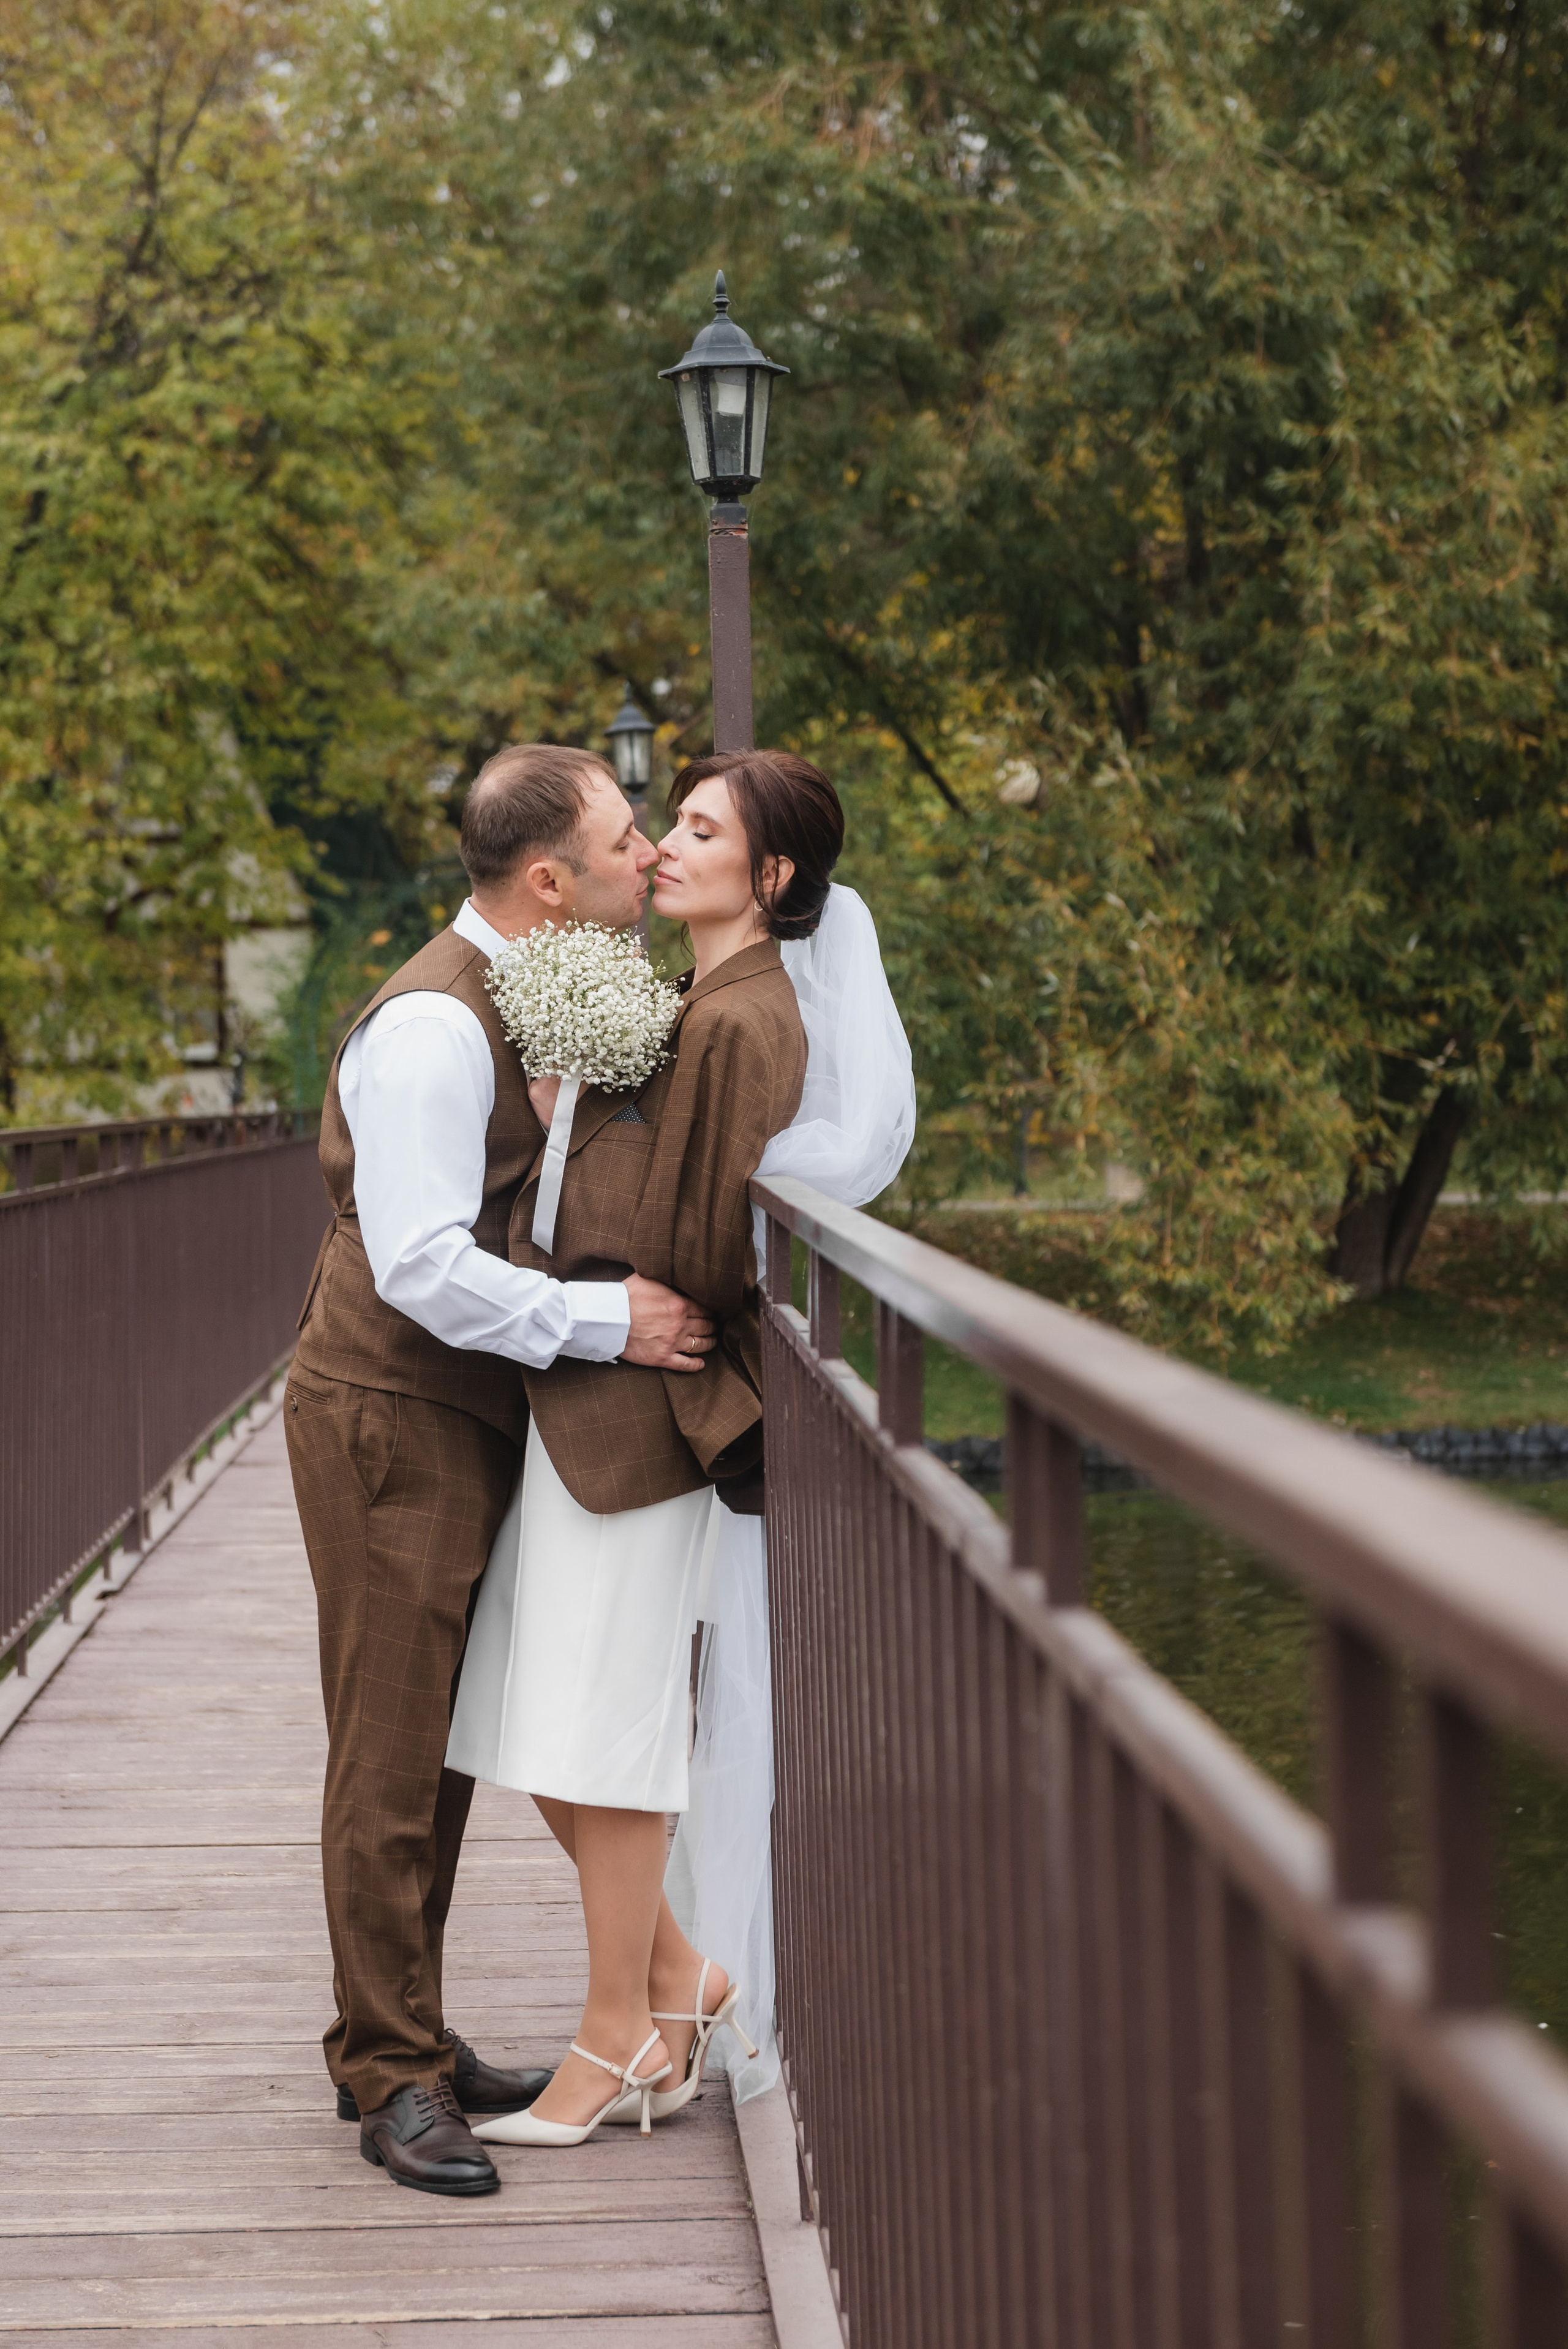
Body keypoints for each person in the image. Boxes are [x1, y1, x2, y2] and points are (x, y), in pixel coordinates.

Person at [284, 743, 717, 2198]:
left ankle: (408, 2028)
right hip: (387, 1408)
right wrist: (612, 1321)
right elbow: (416, 1266)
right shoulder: (430, 1029)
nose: (645, 853)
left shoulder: (519, 990)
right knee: (390, 1749)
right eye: (622, 837)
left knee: (444, 1743)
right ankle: (388, 2077)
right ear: (550, 881)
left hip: (456, 1410)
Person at [446, 750, 843, 2146]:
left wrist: (579, 1204)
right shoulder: (693, 999)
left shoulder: (747, 1020)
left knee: (596, 1731)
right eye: (659, 826)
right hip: (599, 1390)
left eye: (694, 829)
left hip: (650, 1406)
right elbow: (647, 1182)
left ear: (770, 875)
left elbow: (694, 1243)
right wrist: (570, 1127)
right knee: (540, 1716)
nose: (661, 848)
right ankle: (679, 1985)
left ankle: (618, 2033)